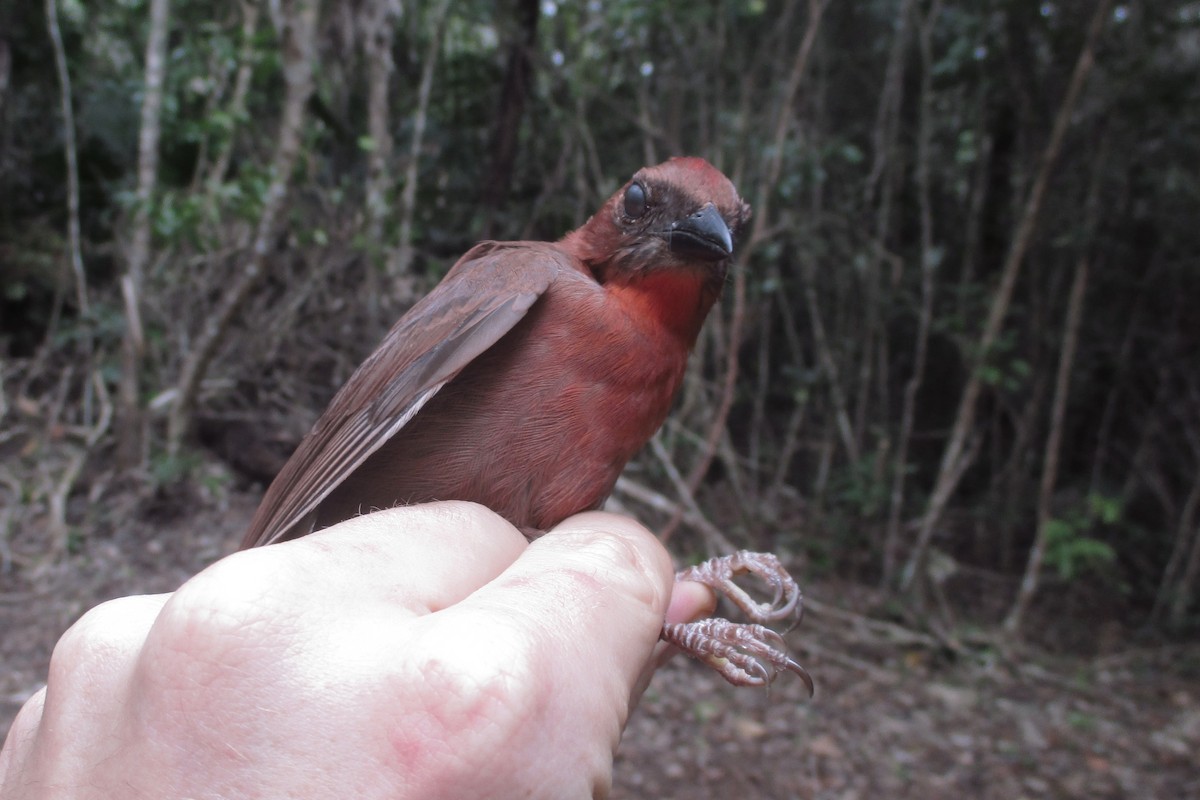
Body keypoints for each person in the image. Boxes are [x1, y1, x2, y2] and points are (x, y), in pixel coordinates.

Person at [0, 501, 715, 799]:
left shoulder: (657, 358)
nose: (698, 238)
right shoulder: (545, 284)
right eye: (645, 205)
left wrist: (653, 618)